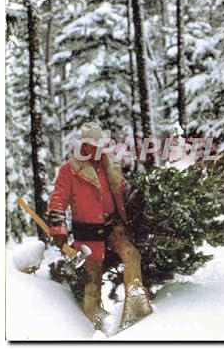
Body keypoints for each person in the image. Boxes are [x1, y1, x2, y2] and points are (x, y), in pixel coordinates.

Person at [46, 122, 152, 329]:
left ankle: (136, 312)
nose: (97, 149)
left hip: (114, 227)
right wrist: (58, 227)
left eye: (100, 144)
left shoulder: (109, 165)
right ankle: (94, 330)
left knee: (132, 256)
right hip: (88, 234)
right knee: (92, 284)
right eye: (92, 144)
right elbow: (58, 199)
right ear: (83, 145)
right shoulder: (70, 171)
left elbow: (122, 192)